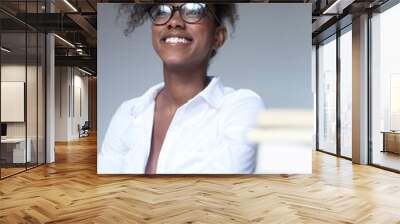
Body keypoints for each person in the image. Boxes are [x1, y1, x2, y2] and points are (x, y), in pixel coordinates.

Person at [98, 3, 265, 174]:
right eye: (162, 11)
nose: (174, 22)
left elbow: (221, 194)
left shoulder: (241, 108)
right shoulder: (127, 113)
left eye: (193, 11)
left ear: (217, 37)